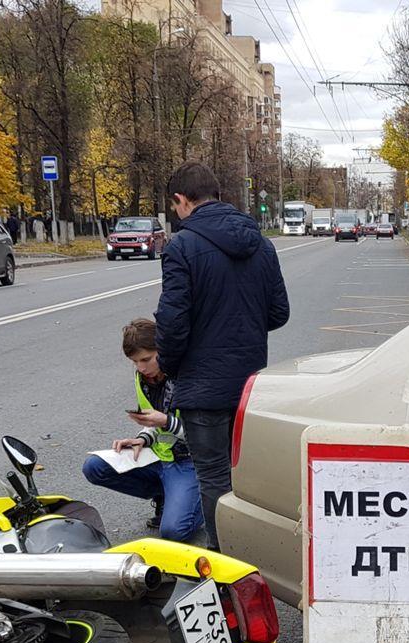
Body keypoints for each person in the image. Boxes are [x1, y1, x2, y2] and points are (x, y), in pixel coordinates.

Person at [155, 161, 289, 550]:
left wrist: (170, 366)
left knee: (212, 476)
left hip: (203, 385)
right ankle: (255, 553)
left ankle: (225, 562)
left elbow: (173, 321)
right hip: (249, 385)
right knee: (242, 474)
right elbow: (279, 313)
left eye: (175, 206)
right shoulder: (261, 244)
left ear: (182, 200)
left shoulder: (181, 246)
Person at [82, 318, 204, 541]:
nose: (140, 367)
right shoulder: (144, 377)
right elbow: (153, 422)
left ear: (163, 350)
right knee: (94, 467)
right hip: (160, 456)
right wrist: (142, 439)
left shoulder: (188, 375)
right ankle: (166, 494)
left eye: (146, 359)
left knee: (174, 532)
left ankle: (204, 502)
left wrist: (166, 422)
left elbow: (206, 435)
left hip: (190, 461)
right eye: (134, 361)